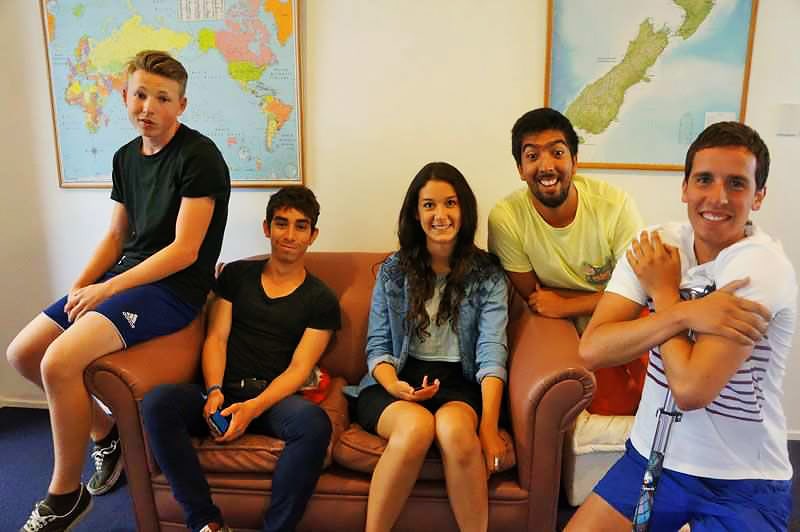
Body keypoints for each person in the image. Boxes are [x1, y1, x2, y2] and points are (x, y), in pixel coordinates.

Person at [6, 50, 231, 532]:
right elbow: (116, 237)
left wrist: (108, 289)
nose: (149, 107)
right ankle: (104, 431)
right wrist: (82, 284)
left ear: (181, 105)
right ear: (124, 95)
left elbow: (185, 250)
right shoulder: (125, 157)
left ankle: (64, 497)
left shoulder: (199, 156)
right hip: (127, 277)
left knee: (58, 362)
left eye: (163, 98)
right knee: (23, 353)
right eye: (141, 94)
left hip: (173, 288)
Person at [567, 121, 795, 531]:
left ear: (758, 196)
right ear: (685, 187)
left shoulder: (761, 267)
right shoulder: (656, 247)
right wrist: (684, 312)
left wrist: (664, 294)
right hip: (652, 458)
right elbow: (593, 349)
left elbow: (690, 389)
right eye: (704, 179)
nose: (717, 197)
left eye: (737, 184)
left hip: (741, 480)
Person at [142, 186, 341, 532]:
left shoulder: (321, 299)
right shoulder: (236, 276)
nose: (289, 235)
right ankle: (205, 522)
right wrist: (214, 391)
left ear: (313, 235)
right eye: (281, 223)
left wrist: (253, 408)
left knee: (314, 424)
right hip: (222, 389)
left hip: (274, 400)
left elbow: (299, 369)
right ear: (267, 228)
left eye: (300, 226)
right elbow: (216, 338)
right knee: (158, 403)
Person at [352, 162, 509, 532]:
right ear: (415, 213)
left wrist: (488, 427)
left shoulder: (488, 275)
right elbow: (378, 347)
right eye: (429, 205)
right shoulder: (394, 271)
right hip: (396, 379)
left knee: (455, 432)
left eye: (450, 203)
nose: (440, 215)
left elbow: (491, 353)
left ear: (464, 209)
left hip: (459, 383)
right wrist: (395, 386)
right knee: (416, 428)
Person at [488, 107, 646, 414]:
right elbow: (536, 298)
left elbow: (638, 293)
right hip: (566, 332)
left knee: (668, 390)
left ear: (575, 160)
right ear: (520, 168)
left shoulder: (614, 206)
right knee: (609, 405)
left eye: (557, 153)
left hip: (625, 319)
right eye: (532, 156)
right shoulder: (507, 219)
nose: (546, 166)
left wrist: (566, 304)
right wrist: (605, 296)